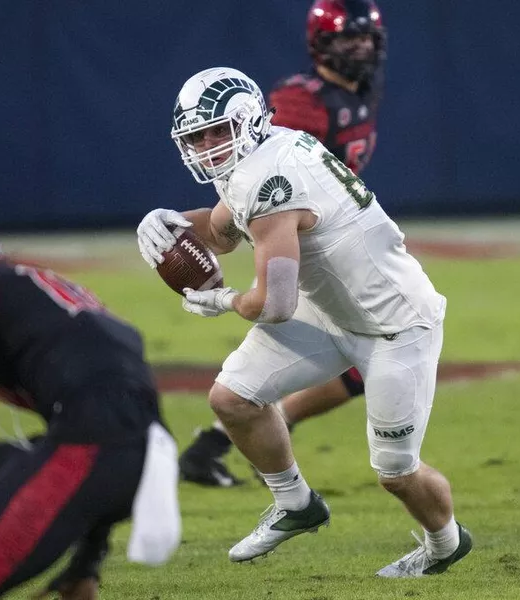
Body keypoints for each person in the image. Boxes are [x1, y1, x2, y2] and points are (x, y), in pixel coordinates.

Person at [136, 65, 471, 577]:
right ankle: (295, 503)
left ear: (247, 121)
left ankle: (445, 543)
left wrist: (221, 300)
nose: (205, 146)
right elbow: (223, 231)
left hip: (396, 325)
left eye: (214, 132)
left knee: (396, 472)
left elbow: (275, 305)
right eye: (195, 136)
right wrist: (172, 222)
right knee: (232, 398)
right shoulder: (264, 152)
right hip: (331, 310)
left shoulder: (271, 179)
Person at [178, 0, 386, 488]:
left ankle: (219, 444)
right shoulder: (301, 100)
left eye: (364, 37)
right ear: (321, 43)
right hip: (289, 237)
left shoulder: (359, 91)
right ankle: (240, 440)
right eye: (346, 37)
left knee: (368, 350)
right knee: (368, 347)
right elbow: (261, 176)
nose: (358, 46)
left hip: (327, 240)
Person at [0, 213, 180, 599]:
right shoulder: (45, 290)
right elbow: (117, 418)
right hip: (144, 451)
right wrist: (86, 559)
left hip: (93, 449)